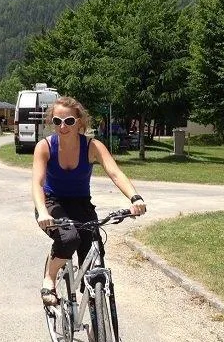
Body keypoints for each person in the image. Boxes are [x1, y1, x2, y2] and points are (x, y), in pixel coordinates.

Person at [32, 96, 146, 306]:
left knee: (94, 258)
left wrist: (135, 197)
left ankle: (95, 319)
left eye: (69, 121)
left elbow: (115, 173)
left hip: (81, 204)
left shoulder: (93, 146)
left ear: (80, 122)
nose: (63, 126)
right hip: (51, 203)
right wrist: (43, 212)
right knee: (68, 239)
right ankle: (49, 278)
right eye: (57, 121)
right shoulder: (45, 146)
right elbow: (37, 183)